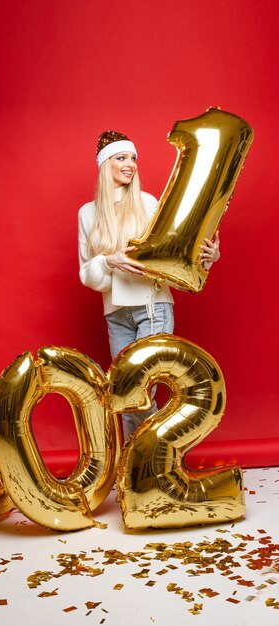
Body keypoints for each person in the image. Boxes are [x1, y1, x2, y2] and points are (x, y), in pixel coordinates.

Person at [78, 130, 220, 438]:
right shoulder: (87, 213)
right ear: (106, 165)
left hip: (151, 307)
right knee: (127, 395)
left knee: (139, 391)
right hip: (116, 315)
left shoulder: (148, 203)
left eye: (133, 158)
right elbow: (86, 272)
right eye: (121, 158)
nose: (130, 165)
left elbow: (175, 251)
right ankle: (141, 468)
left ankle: (152, 461)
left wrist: (209, 255)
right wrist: (108, 261)